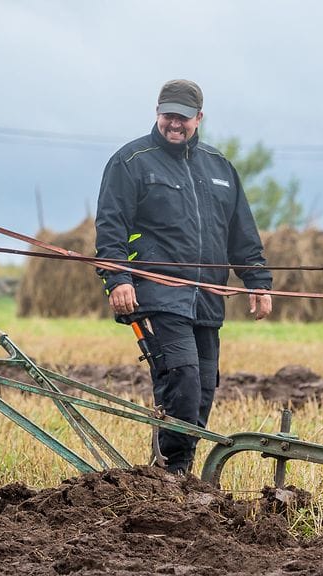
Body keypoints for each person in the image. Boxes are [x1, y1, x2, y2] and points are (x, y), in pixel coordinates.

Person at [95, 79, 273, 475]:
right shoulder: (131, 161)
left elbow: (242, 232)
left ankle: (176, 473)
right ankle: (172, 472)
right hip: (156, 294)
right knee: (183, 379)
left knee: (204, 388)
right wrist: (117, 277)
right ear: (157, 112)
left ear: (199, 118)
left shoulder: (220, 167)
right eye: (168, 115)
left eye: (183, 118)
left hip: (207, 298)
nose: (175, 124)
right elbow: (111, 226)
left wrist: (258, 281)